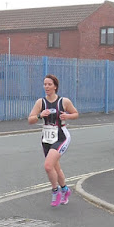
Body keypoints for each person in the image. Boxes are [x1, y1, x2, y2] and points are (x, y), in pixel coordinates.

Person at [28, 74, 79, 207]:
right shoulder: (41, 102)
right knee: (55, 167)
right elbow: (30, 119)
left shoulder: (64, 101)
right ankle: (65, 190)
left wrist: (67, 116)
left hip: (61, 136)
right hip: (46, 138)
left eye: (49, 84)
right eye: (45, 84)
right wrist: (40, 115)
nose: (46, 87)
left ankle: (55, 191)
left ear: (55, 86)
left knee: (48, 166)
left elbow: (76, 114)